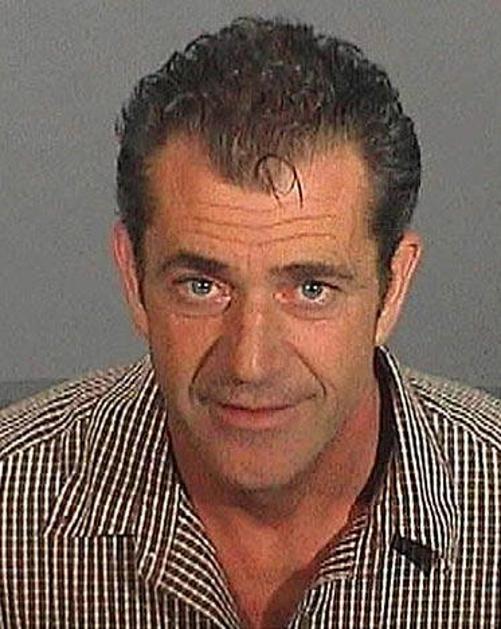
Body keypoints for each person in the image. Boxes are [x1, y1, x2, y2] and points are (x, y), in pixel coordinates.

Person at [0, 16, 499, 629]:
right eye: (202, 287)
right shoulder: (12, 501)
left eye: (311, 290)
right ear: (133, 278)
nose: (250, 363)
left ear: (392, 289)